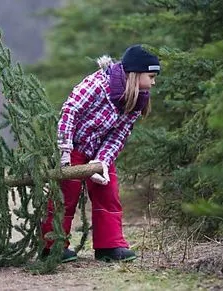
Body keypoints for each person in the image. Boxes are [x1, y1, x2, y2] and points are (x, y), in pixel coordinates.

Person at [40, 44, 160, 263]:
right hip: (73, 146)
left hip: (98, 153)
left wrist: (102, 161)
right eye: (151, 76)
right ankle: (52, 245)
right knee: (65, 195)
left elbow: (119, 134)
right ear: (136, 73)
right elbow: (70, 110)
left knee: (109, 193)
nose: (153, 82)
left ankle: (110, 246)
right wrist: (64, 151)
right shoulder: (98, 83)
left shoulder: (136, 99)